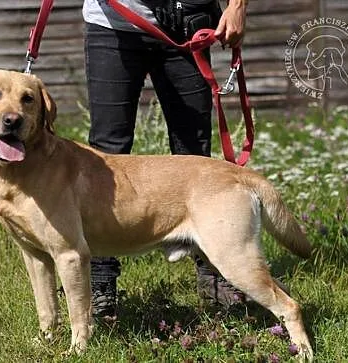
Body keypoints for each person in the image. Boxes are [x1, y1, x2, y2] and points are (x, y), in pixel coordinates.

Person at [82, 0, 249, 317]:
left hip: (184, 22)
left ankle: (214, 272)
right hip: (113, 24)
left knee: (194, 152)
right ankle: (100, 280)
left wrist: (238, 5)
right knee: (106, 155)